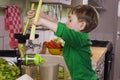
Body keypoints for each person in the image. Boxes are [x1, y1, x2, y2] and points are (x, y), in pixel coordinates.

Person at [27, 5, 99, 80]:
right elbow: (56, 23)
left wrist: (42, 21)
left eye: (70, 20)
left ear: (82, 25)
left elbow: (62, 30)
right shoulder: (75, 37)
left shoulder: (79, 38)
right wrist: (38, 14)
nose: (66, 22)